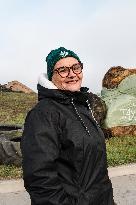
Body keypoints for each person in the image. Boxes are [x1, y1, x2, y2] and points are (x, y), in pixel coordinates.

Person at [21, 47, 115, 205]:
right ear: (52, 76)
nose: (72, 74)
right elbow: (39, 178)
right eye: (63, 70)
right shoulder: (43, 114)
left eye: (76, 67)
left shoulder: (84, 107)